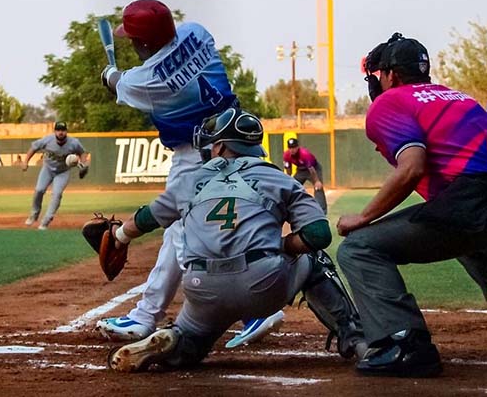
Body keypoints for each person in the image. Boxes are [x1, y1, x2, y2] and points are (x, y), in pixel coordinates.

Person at [106, 108, 366, 372]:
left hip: (202, 286)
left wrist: (119, 236)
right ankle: (356, 339)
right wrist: (283, 246)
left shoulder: (191, 181)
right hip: (262, 283)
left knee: (194, 342)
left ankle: (177, 340)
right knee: (314, 257)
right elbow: (318, 234)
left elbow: (145, 219)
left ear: (220, 147)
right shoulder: (278, 178)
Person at [96, 0, 284, 346]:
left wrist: (108, 75)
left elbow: (120, 82)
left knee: (188, 237)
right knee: (182, 232)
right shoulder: (196, 32)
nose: (131, 43)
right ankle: (145, 315)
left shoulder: (144, 80)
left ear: (144, 42)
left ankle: (254, 310)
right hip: (238, 141)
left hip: (196, 157)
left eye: (133, 39)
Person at [336, 32, 487, 378]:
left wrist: (364, 217)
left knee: (358, 248)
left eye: (378, 75)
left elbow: (412, 167)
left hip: (470, 199)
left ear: (391, 75)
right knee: (471, 244)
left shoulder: (390, 101)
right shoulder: (461, 97)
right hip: (469, 201)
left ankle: (405, 344)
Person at [20, 121, 88, 230]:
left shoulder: (73, 142)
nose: (61, 132)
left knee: (57, 194)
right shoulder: (48, 140)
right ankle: (34, 215)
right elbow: (34, 147)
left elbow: (82, 152)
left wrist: (83, 164)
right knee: (39, 190)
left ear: (66, 131)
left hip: (63, 172)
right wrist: (25, 161)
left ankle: (46, 221)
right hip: (47, 169)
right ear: (55, 131)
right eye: (58, 130)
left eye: (63, 130)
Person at [283, 138, 327, 214]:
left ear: (297, 147)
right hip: (301, 170)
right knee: (292, 186)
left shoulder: (304, 154)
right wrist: (289, 180)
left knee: (318, 188)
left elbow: (311, 169)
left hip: (314, 169)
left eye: (294, 147)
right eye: (290, 148)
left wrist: (317, 181)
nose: (292, 150)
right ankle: (292, 207)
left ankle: (321, 211)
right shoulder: (286, 155)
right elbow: (288, 168)